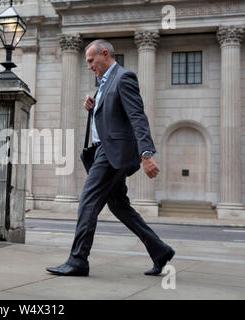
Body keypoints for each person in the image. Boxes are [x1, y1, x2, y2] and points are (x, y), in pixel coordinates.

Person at [46, 39, 175, 277]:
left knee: (87, 200)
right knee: (119, 206)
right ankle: (160, 251)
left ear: (105, 54)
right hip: (105, 152)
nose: (89, 66)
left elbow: (138, 117)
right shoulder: (103, 83)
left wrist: (146, 154)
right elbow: (111, 116)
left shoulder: (124, 78)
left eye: (91, 60)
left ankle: (78, 260)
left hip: (112, 152)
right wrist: (92, 107)